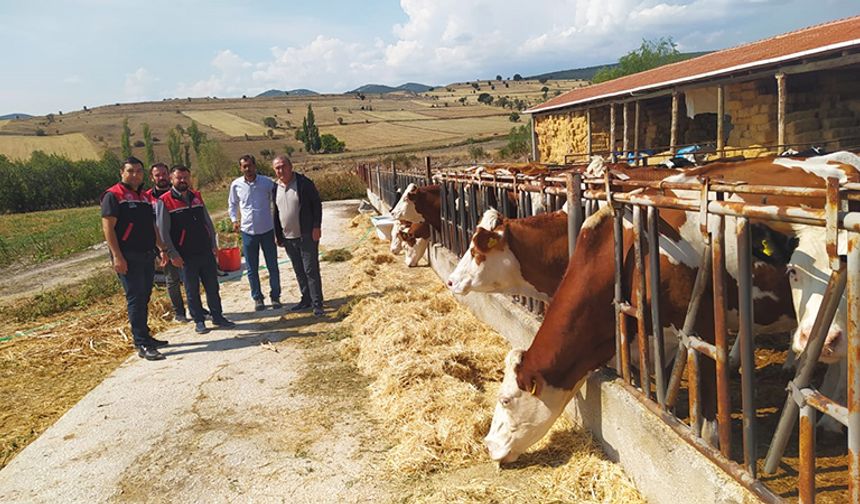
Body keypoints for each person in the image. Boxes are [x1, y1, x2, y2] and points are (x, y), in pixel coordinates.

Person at [101, 156, 170, 361]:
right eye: (130, 171)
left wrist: (161, 248)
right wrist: (117, 256)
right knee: (135, 298)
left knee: (145, 296)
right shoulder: (113, 196)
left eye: (138, 171)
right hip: (127, 256)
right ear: (122, 173)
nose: (135, 175)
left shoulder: (142, 196)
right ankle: (141, 343)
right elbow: (108, 228)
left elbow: (152, 225)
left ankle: (146, 335)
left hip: (147, 253)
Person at [156, 165, 235, 334]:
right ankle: (199, 320)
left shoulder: (197, 196)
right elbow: (163, 231)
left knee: (212, 287)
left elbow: (207, 222)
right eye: (179, 178)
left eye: (186, 177)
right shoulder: (165, 201)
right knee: (192, 290)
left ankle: (218, 317)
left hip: (205, 250)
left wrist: (214, 244)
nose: (183, 180)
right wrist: (172, 253)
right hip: (185, 255)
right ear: (172, 179)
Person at [271, 155, 324, 317]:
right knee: (299, 270)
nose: (281, 170)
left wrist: (316, 226)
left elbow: (317, 205)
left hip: (306, 234)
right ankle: (306, 299)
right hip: (288, 237)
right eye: (277, 168)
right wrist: (278, 235)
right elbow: (276, 212)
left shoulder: (303, 184)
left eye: (283, 166)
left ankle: (317, 303)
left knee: (310, 270)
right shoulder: (275, 188)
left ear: (290, 166)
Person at [228, 155, 281, 311]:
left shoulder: (266, 183)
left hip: (267, 230)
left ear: (255, 166)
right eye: (244, 166)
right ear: (241, 168)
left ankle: (276, 296)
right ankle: (257, 298)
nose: (247, 169)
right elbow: (232, 204)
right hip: (248, 231)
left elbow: (277, 201)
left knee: (272, 265)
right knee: (252, 268)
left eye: (250, 165)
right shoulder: (236, 185)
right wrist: (234, 220)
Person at [144, 162, 189, 322]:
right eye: (157, 175)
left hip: (184, 240)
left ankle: (196, 306)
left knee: (190, 276)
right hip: (163, 244)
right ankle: (179, 311)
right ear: (152, 178)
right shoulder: (147, 198)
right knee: (172, 279)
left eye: (164, 174)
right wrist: (161, 247)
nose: (161, 177)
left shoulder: (179, 192)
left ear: (169, 175)